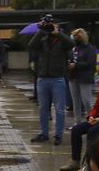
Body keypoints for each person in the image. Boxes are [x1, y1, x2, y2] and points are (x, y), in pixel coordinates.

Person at [26, 17, 71, 145]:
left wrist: (59, 33)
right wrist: (41, 30)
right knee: (43, 108)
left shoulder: (62, 41)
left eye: (54, 26)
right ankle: (44, 134)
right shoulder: (43, 40)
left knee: (59, 109)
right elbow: (31, 45)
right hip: (43, 78)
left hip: (57, 78)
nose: (51, 28)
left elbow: (70, 44)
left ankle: (58, 135)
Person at [65, 29, 97, 121]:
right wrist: (69, 65)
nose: (74, 38)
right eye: (73, 36)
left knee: (86, 100)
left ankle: (91, 119)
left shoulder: (90, 48)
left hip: (85, 78)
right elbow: (71, 59)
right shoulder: (74, 48)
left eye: (76, 36)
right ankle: (77, 122)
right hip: (73, 76)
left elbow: (89, 63)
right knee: (76, 101)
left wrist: (76, 65)